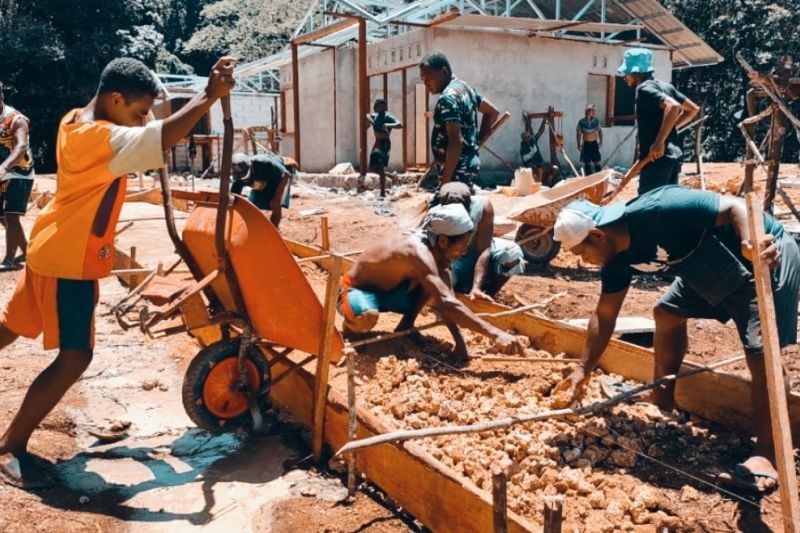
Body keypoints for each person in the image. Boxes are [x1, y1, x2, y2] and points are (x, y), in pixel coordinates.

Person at [0, 57, 236, 489]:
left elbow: (148, 134)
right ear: (114, 99)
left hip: (50, 244)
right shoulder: (99, 136)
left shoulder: (75, 119)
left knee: (12, 327)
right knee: (76, 356)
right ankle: (11, 446)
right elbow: (162, 136)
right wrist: (207, 96)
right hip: (69, 260)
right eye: (138, 111)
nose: (143, 119)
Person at [551, 185, 800, 493]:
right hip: (707, 266)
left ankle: (767, 452)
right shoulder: (615, 260)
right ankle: (663, 396)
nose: (583, 261)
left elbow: (735, 206)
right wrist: (582, 370)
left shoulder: (660, 208)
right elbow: (604, 315)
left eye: (582, 252)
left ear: (599, 236)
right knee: (667, 313)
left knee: (761, 354)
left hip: (761, 256)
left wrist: (751, 242)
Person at [337, 203, 526, 358]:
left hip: (390, 293)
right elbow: (447, 304)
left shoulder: (440, 255)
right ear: (443, 241)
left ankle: (405, 326)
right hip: (355, 291)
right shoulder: (417, 251)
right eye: (461, 245)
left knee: (434, 285)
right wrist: (496, 334)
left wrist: (460, 345)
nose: (464, 251)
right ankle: (350, 330)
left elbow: (448, 301)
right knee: (367, 317)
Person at [618, 48, 699, 194]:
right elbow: (692, 110)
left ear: (635, 72)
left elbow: (673, 107)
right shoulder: (666, 86)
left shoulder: (644, 89)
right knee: (666, 208)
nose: (625, 77)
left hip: (656, 161)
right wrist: (669, 129)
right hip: (672, 159)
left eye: (626, 73)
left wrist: (659, 141)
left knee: (648, 208)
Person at [419, 51, 499, 188]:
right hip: (467, 168)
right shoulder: (465, 88)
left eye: (429, 78)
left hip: (456, 172)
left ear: (444, 72)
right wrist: (476, 144)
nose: (426, 85)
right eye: (423, 80)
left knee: (451, 207)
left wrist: (446, 179)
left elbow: (455, 141)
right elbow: (492, 112)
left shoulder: (448, 98)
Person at [437, 182, 525, 301]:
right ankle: (459, 290)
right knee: (445, 282)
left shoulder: (482, 206)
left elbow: (484, 249)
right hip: (454, 260)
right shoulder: (437, 215)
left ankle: (489, 293)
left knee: (511, 253)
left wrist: (476, 287)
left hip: (478, 250)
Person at [0, 83, 35, 271]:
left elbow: (21, 146)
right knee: (3, 217)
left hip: (20, 171)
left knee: (11, 215)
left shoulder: (16, 119)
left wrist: (5, 166)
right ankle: (27, 251)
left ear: (1, 97)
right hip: (2, 171)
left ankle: (10, 260)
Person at [231, 153, 296, 228]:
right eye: (243, 179)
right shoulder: (238, 179)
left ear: (251, 167)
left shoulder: (264, 164)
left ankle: (273, 232)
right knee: (252, 205)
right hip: (262, 181)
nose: (245, 180)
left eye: (247, 176)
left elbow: (286, 175)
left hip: (282, 178)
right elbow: (234, 199)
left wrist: (277, 197)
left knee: (275, 204)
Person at [366, 99, 402, 198]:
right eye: (375, 106)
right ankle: (391, 176)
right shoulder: (377, 115)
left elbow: (399, 124)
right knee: (373, 168)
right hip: (377, 142)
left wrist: (388, 125)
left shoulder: (388, 116)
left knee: (380, 167)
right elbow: (369, 115)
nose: (375, 108)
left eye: (377, 106)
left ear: (383, 106)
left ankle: (382, 192)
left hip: (384, 143)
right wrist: (369, 118)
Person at [576, 104, 603, 174]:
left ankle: (599, 178)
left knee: (597, 162)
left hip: (594, 143)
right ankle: (588, 179)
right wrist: (578, 144)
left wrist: (601, 142)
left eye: (594, 111)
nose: (594, 112)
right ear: (587, 111)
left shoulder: (596, 121)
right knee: (587, 163)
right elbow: (578, 133)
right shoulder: (581, 121)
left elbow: (600, 131)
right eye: (592, 111)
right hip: (586, 144)